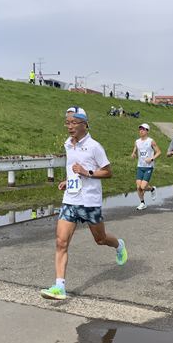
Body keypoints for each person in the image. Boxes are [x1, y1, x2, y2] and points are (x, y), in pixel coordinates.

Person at [40, 107, 128, 300]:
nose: (69, 126)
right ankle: (59, 286)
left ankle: (118, 244)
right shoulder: (68, 144)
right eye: (67, 122)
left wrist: (86, 172)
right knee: (61, 242)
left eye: (74, 122)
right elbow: (73, 169)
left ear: (84, 124)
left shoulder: (94, 147)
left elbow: (108, 172)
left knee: (100, 239)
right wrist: (68, 180)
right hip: (70, 199)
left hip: (89, 201)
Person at [131, 123, 161, 210]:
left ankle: (152, 189)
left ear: (147, 131)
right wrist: (133, 153)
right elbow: (135, 149)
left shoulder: (151, 141)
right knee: (138, 187)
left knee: (143, 187)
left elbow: (159, 152)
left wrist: (151, 158)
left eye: (143, 129)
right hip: (140, 166)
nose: (141, 131)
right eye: (140, 129)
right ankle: (142, 203)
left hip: (148, 167)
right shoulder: (137, 141)